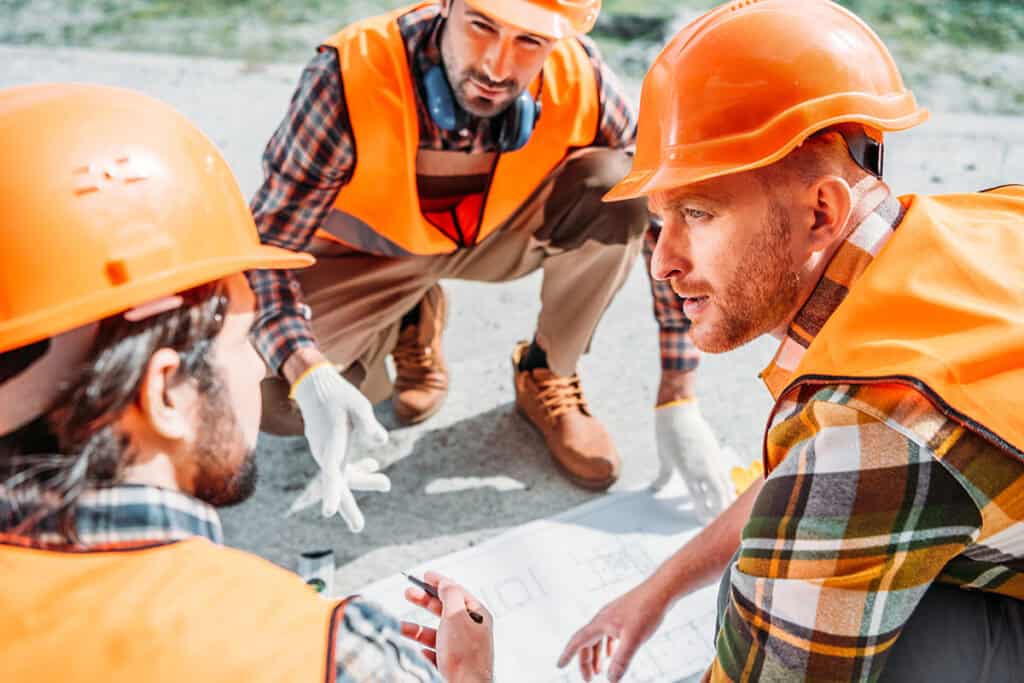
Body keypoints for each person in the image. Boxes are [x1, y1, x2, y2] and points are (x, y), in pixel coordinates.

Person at [557, 0, 1024, 681]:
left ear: (821, 210)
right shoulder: (986, 222)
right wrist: (657, 589)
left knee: (763, 599)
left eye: (697, 212)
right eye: (661, 218)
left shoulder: (878, 424)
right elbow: (828, 479)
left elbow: (855, 468)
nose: (662, 261)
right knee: (771, 570)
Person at [0, 83, 493, 683]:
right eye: (243, 342)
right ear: (166, 394)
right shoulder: (328, 654)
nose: (261, 366)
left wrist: (309, 369)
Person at [250, 0, 733, 530]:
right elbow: (267, 250)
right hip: (372, 253)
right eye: (482, 26)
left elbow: (668, 217)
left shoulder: (583, 76)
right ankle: (408, 315)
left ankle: (545, 372)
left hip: (495, 237)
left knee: (619, 186)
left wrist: (678, 398)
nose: (498, 68)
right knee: (279, 401)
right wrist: (309, 372)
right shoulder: (346, 76)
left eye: (530, 41)